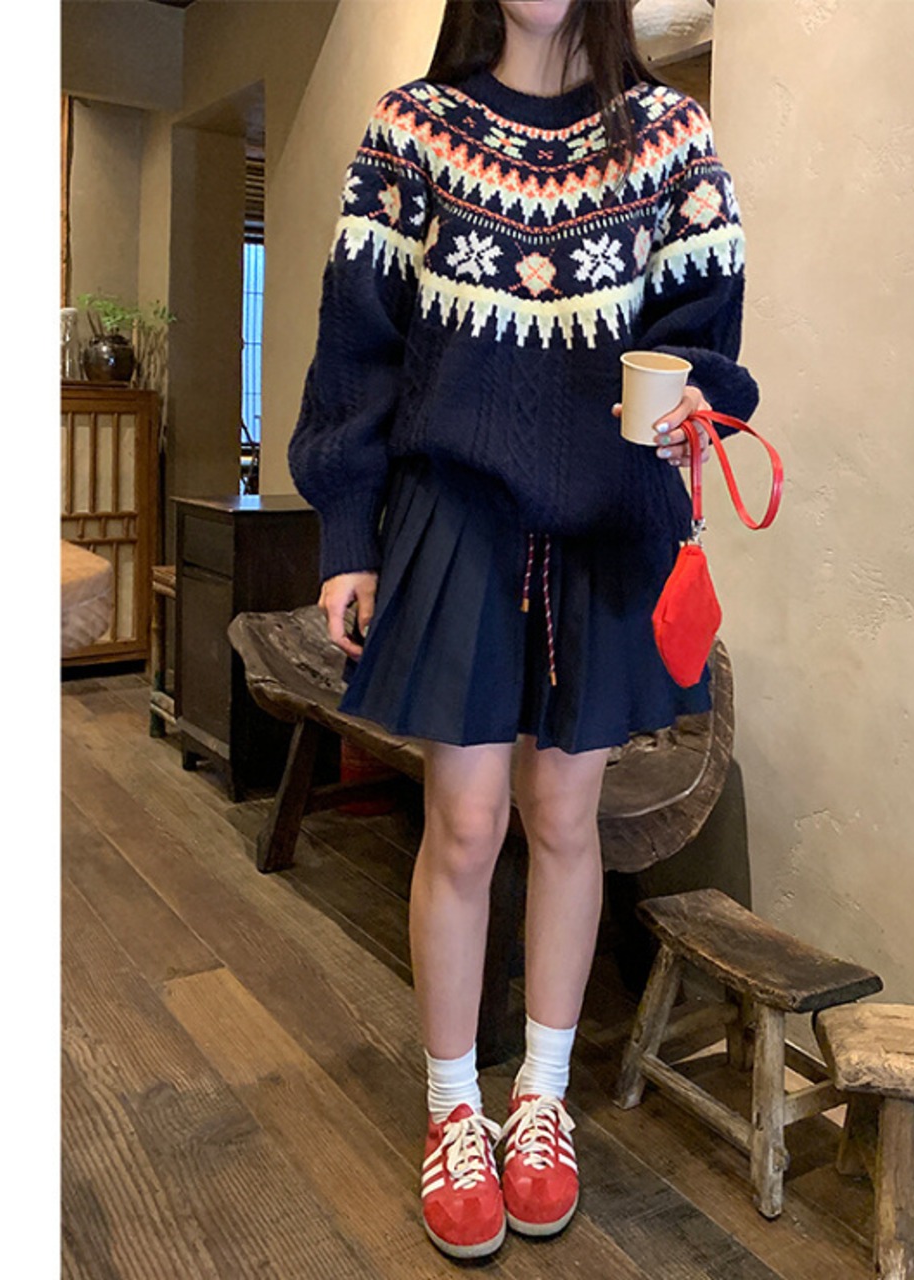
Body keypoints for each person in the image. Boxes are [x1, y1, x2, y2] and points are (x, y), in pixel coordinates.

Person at [289, 0, 758, 1260]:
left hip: (608, 523)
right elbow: (357, 345)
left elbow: (705, 334)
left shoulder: (670, 135)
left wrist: (695, 401)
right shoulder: (412, 128)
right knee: (463, 822)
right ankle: (453, 1107)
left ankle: (538, 1102)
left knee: (564, 819)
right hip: (454, 511)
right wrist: (346, 533)